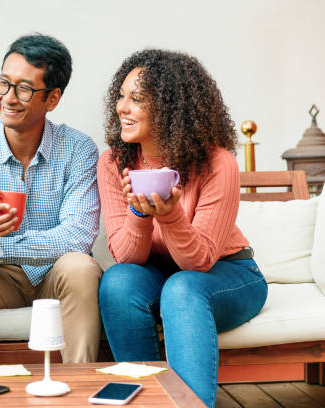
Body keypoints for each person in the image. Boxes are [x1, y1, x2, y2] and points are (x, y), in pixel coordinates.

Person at [97, 49, 268, 408]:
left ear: (172, 109)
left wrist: (171, 216)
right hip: (159, 273)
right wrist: (140, 213)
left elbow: (201, 260)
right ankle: (145, 400)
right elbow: (127, 256)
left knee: (183, 287)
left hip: (229, 273)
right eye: (121, 96)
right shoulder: (113, 162)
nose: (121, 108)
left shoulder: (218, 162)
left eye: (136, 99)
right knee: (117, 281)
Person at [0, 34, 102, 365]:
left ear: (52, 99)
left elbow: (78, 236)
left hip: (53, 275)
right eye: (3, 83)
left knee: (80, 267)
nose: (9, 98)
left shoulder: (78, 149)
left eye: (24, 89)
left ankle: (79, 387)